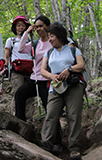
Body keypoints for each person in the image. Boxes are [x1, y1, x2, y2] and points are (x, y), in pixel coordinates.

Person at [40, 22, 85, 160]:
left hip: (73, 86)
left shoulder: (73, 50)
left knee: (73, 115)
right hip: (55, 87)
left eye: (52, 36)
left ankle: (74, 148)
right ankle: (45, 146)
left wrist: (69, 69)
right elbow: (42, 70)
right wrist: (52, 76)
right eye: (49, 36)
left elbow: (81, 65)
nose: (50, 39)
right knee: (51, 114)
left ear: (60, 36)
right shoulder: (48, 53)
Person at [15, 15, 51, 121]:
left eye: (41, 26)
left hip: (47, 80)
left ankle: (55, 135)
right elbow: (20, 49)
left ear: (48, 26)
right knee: (20, 94)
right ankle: (21, 123)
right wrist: (26, 32)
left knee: (49, 107)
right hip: (35, 79)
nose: (38, 29)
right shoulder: (35, 43)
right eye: (37, 27)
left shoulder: (53, 42)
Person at [3, 16, 34, 119]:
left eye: (23, 25)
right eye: (18, 25)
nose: (21, 27)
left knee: (30, 95)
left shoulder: (31, 40)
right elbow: (6, 56)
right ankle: (16, 118)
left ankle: (28, 119)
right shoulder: (11, 40)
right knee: (17, 92)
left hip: (30, 70)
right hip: (17, 70)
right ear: (15, 27)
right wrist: (5, 66)